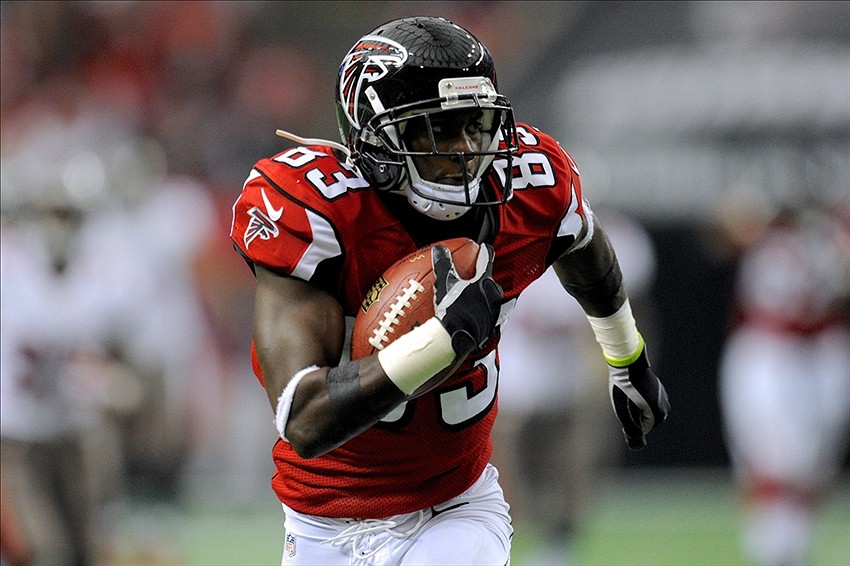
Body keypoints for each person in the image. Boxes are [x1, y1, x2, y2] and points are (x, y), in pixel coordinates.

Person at [229, 16, 670, 565]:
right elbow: (304, 418)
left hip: (456, 504)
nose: (464, 151)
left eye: (474, 125)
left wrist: (627, 359)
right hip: (324, 518)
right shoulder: (315, 209)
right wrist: (442, 340)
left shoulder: (527, 184)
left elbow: (583, 243)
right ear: (374, 137)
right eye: (436, 130)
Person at [492, 209, 658, 565]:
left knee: (571, 471)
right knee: (506, 477)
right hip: (511, 379)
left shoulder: (612, 238)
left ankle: (557, 545)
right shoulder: (501, 231)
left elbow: (631, 317)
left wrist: (616, 378)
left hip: (572, 379)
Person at [717, 197, 850, 566]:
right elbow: (719, 233)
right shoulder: (764, 222)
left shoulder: (832, 227)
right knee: (769, 459)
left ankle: (793, 545)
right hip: (768, 348)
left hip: (821, 351)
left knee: (813, 464)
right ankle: (774, 549)